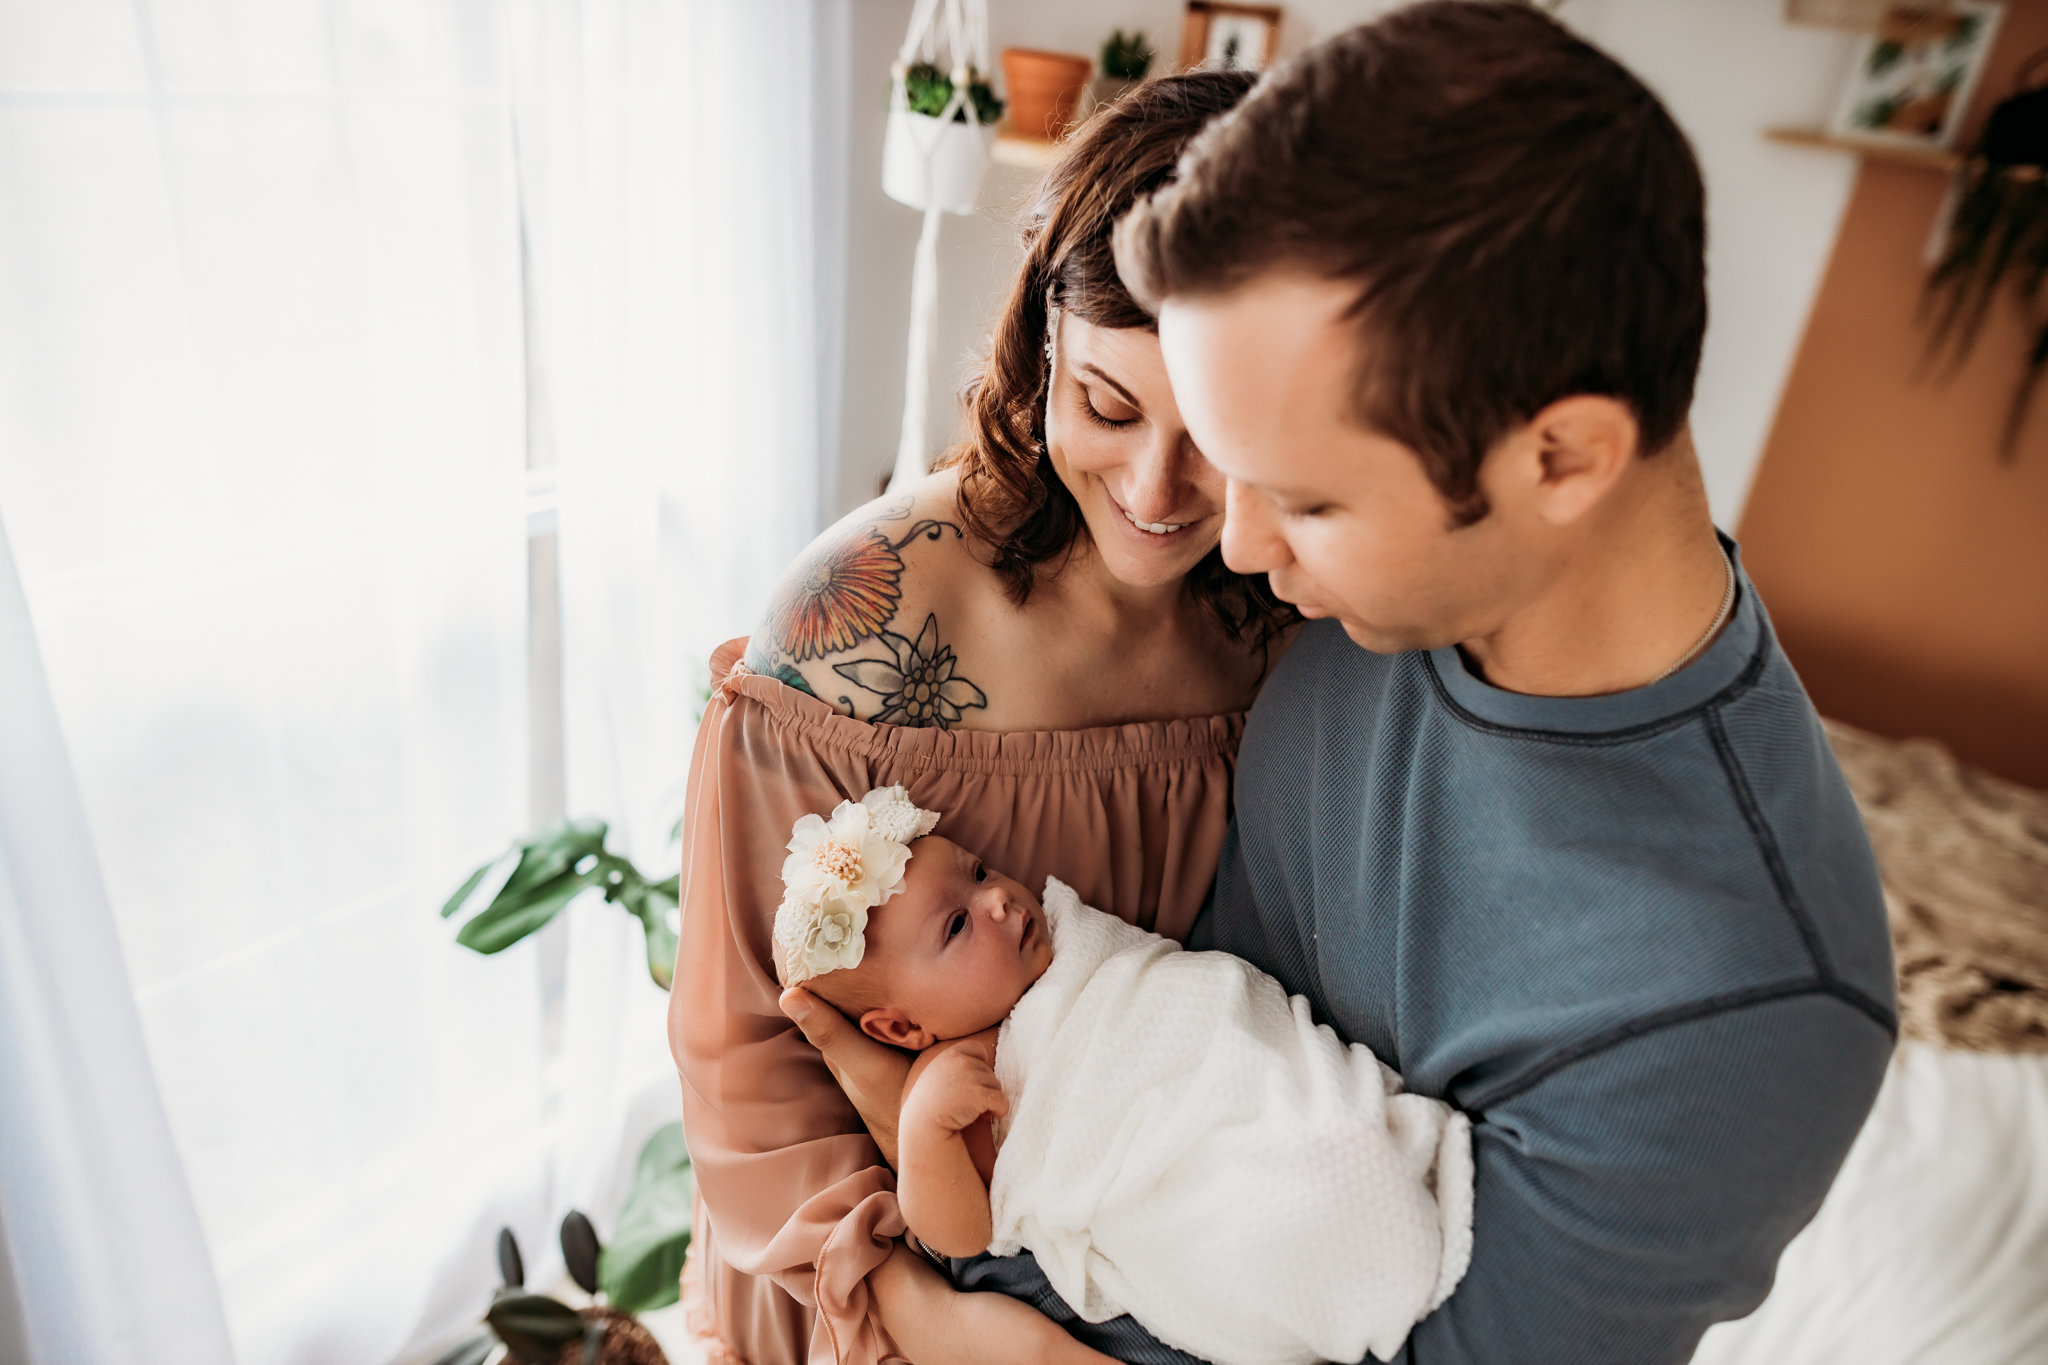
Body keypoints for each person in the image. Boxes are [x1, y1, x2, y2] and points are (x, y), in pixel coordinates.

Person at [1072, 3, 1892, 1360]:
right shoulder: (1362, 590)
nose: (1237, 546)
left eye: (1304, 500)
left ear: (1561, 460)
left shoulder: (1746, 1003)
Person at [666, 71, 1294, 1365]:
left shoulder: (1288, 624)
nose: (1160, 490)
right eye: (1107, 407)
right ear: (1041, 342)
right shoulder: (855, 631)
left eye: (1221, 432)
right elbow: (749, 1065)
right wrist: (935, 1320)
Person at [770, 785, 1469, 1365]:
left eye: (980, 872)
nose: (999, 902)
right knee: (1265, 1211)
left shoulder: (1072, 941)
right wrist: (924, 1132)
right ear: (901, 1028)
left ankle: (1347, 1173)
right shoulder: (950, 1073)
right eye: (956, 926)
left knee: (1309, 1129)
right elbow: (961, 1233)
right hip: (1159, 1173)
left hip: (1213, 1069)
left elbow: (1188, 1006)